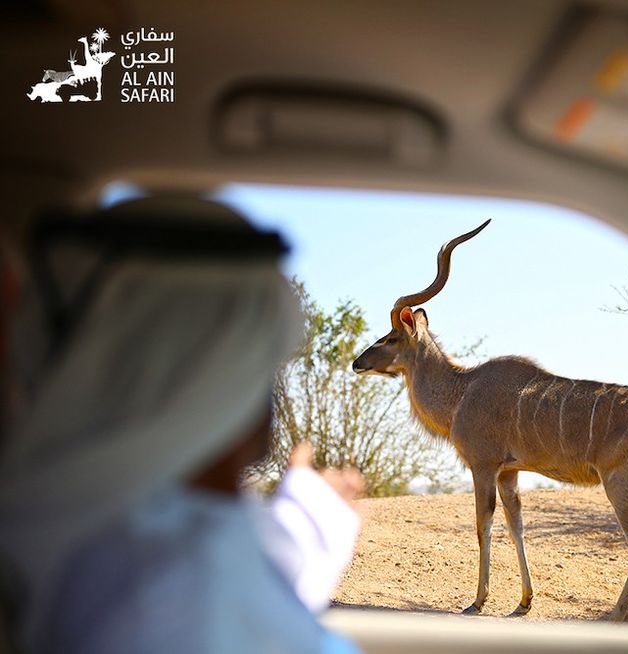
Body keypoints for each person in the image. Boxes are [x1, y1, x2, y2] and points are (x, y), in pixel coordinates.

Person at [0, 196, 363, 653]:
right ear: (219, 370)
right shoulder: (182, 610)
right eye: (263, 361)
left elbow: (247, 557)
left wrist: (312, 509)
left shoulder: (89, 536)